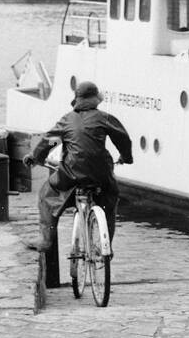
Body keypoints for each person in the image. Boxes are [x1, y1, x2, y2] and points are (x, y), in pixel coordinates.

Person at [23, 80, 134, 257]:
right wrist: (126, 158)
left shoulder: (67, 120)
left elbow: (50, 141)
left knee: (46, 195)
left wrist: (36, 157)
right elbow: (123, 139)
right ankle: (108, 246)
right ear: (96, 99)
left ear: (77, 100)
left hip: (72, 174)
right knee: (110, 201)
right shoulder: (104, 118)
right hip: (101, 174)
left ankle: (45, 240)